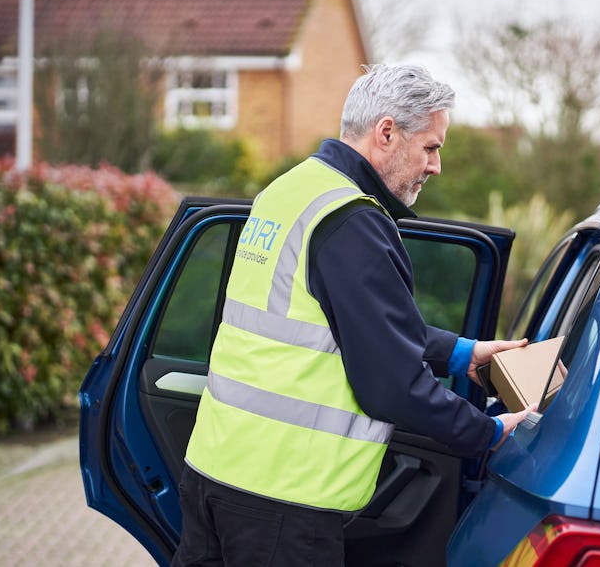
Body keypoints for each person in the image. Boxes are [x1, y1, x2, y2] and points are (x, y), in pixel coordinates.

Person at [172, 64, 534, 567]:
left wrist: (461, 353)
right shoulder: (352, 221)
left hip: (213, 473)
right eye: (431, 147)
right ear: (387, 132)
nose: (436, 166)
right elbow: (392, 384)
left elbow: (333, 322)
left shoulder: (290, 190)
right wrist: (489, 433)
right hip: (283, 501)